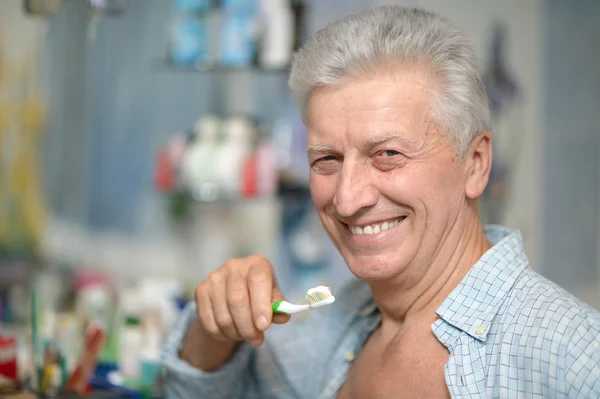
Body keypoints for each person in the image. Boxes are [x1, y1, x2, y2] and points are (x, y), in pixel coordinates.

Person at [161, 6, 600, 398]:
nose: (348, 200)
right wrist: (215, 324)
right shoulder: (338, 324)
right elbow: (203, 389)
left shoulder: (573, 358)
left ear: (476, 164)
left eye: (388, 154)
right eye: (327, 159)